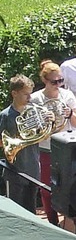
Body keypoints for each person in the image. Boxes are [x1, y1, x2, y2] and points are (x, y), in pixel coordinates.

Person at [30, 60, 76, 226]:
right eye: (54, 82)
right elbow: (31, 128)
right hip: (45, 147)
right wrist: (44, 122)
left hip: (66, 147)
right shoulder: (36, 99)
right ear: (45, 80)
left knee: (70, 186)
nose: (58, 85)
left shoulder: (67, 95)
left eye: (61, 81)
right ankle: (52, 223)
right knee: (46, 188)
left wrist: (70, 113)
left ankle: (74, 223)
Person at [0, 75, 43, 214]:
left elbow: (43, 135)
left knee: (32, 211)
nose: (30, 98)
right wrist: (18, 139)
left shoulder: (34, 111)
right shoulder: (5, 115)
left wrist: (50, 121)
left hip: (33, 168)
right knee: (17, 212)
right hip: (15, 171)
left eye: (30, 94)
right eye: (26, 94)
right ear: (14, 93)